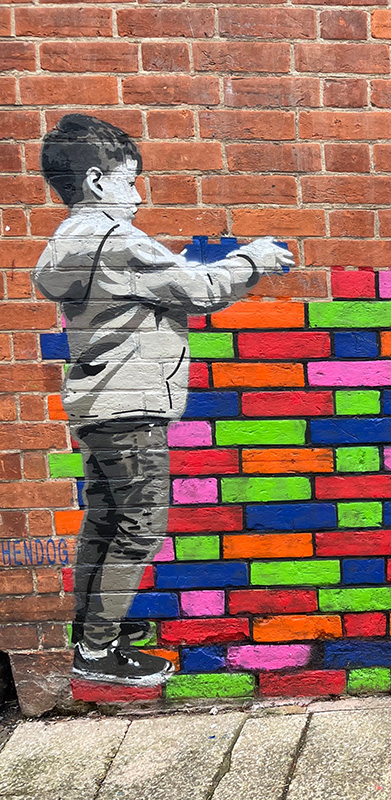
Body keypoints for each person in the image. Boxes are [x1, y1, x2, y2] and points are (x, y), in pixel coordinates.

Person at [34, 114, 294, 686]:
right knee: (140, 527)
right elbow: (199, 288)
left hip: (98, 407)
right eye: (130, 181)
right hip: (133, 408)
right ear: (97, 181)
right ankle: (99, 651)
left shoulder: (67, 243)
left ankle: (92, 633)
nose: (138, 195)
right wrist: (253, 259)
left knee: (106, 521)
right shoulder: (116, 240)